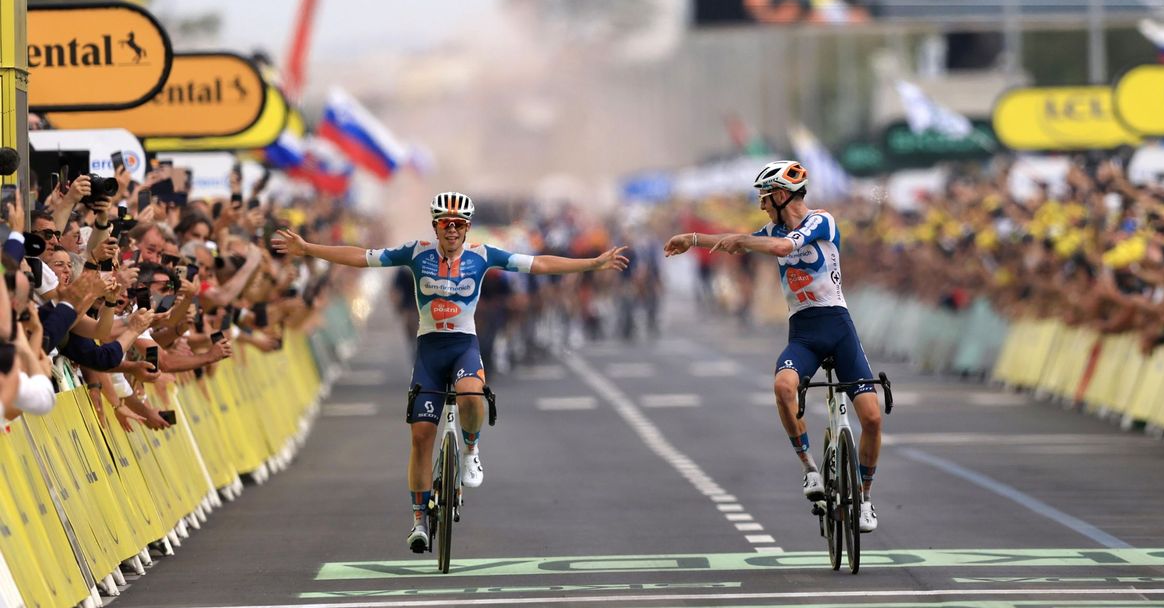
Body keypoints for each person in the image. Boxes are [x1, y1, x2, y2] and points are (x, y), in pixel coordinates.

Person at [272, 191, 629, 553]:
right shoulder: (416, 252)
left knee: (473, 395)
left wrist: (591, 264)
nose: (453, 230)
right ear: (436, 225)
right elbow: (361, 259)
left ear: (468, 227)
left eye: (459, 224)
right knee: (421, 436)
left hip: (463, 346)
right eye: (446, 223)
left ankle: (471, 450)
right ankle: (418, 521)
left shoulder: (482, 255)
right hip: (429, 349)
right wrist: (308, 248)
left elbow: (539, 265)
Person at [662, 160, 884, 532]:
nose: (762, 205)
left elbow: (781, 247)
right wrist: (694, 240)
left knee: (873, 419)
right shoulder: (769, 229)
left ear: (782, 195)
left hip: (838, 326)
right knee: (783, 387)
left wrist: (745, 241)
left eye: (765, 198)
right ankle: (810, 469)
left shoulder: (821, 221)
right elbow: (736, 241)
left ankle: (864, 498)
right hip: (804, 332)